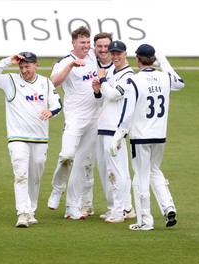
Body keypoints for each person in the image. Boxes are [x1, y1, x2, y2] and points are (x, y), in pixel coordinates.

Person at [111, 44, 185, 230]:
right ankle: (168, 206)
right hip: (160, 135)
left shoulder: (134, 81)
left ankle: (145, 220)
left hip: (140, 136)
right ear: (153, 59)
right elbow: (180, 82)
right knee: (154, 171)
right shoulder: (164, 77)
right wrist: (165, 62)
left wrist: (119, 135)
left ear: (137, 59)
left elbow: (127, 112)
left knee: (141, 177)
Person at [0, 52, 62, 227]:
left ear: (36, 65)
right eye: (21, 67)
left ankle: (31, 210)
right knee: (20, 175)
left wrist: (50, 112)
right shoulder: (10, 80)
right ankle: (22, 212)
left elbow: (57, 104)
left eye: (28, 66)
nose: (24, 70)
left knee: (35, 176)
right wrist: (7, 62)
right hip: (17, 138)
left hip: (40, 139)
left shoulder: (45, 83)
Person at [47, 26, 99, 220]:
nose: (86, 46)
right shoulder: (64, 62)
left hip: (94, 119)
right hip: (75, 119)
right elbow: (52, 82)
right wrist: (70, 67)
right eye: (82, 43)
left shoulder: (93, 56)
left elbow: (106, 51)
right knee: (67, 156)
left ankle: (72, 207)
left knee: (83, 164)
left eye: (88, 42)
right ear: (73, 43)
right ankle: (57, 189)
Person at [92, 40, 136, 223]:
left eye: (119, 53)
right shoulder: (112, 72)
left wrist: (102, 80)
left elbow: (113, 94)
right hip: (105, 124)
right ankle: (126, 208)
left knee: (116, 170)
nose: (116, 56)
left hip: (115, 128)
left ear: (125, 54)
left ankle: (119, 211)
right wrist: (97, 90)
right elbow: (104, 99)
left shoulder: (128, 75)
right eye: (113, 53)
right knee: (117, 170)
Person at [79, 32, 114, 217]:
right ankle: (86, 204)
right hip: (88, 120)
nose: (102, 50)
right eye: (98, 46)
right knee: (86, 163)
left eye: (106, 46)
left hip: (109, 124)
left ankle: (119, 206)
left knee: (110, 166)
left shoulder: (118, 67)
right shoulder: (90, 60)